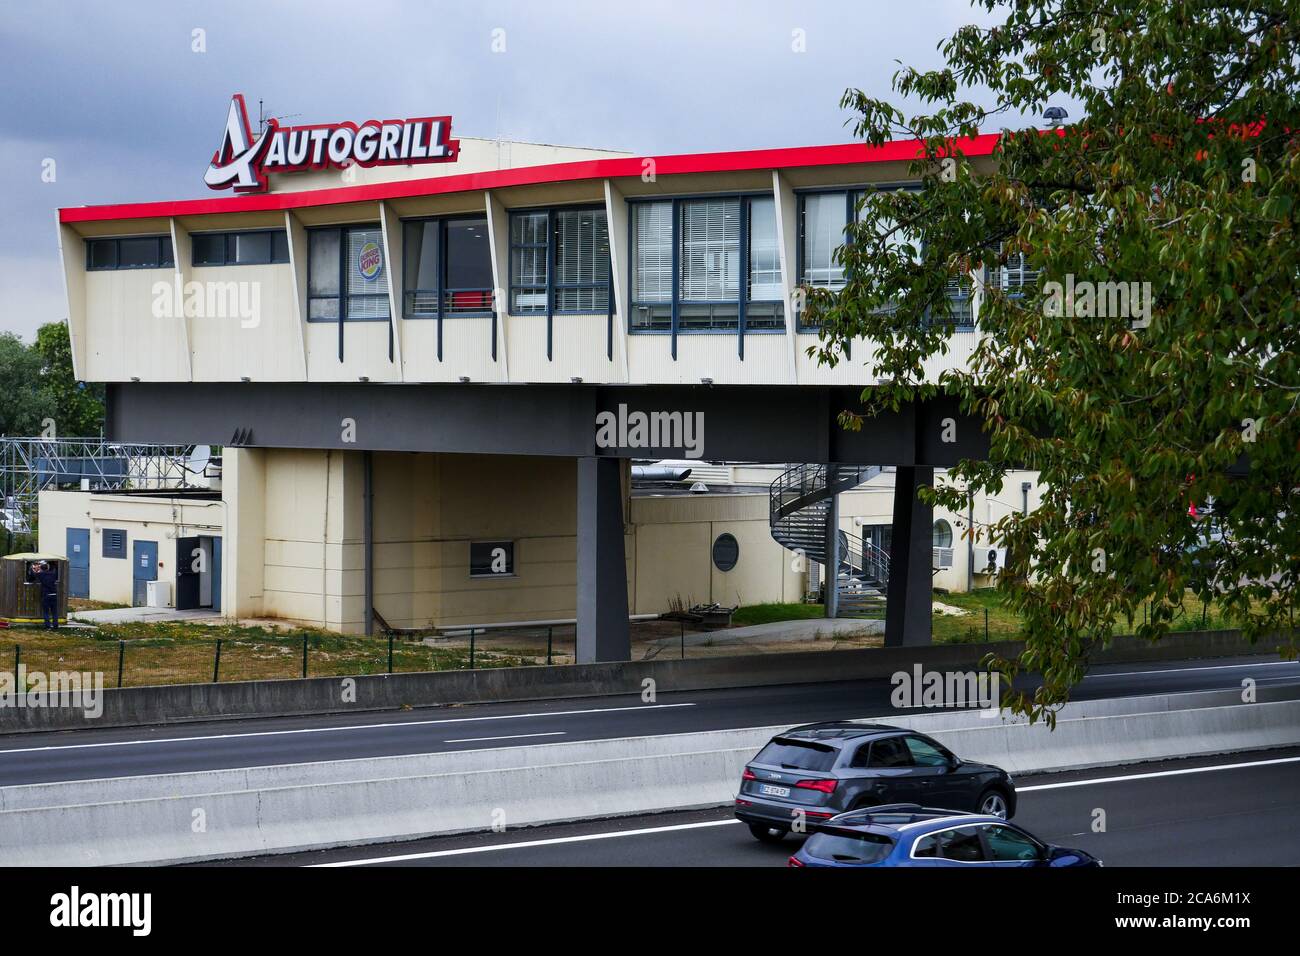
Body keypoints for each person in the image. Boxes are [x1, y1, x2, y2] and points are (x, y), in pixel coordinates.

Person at [33, 561, 59, 630]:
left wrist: (36, 568)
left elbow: (34, 574)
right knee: (54, 612)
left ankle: (48, 626)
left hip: (46, 595)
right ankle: (55, 625)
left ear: (41, 569)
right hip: (54, 594)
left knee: (46, 612)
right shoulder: (53, 574)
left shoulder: (41, 574)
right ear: (47, 568)